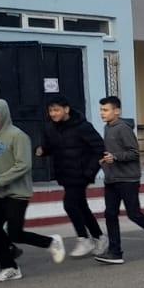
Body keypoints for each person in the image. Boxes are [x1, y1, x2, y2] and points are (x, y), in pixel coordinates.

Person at [0, 98, 64, 282]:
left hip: (17, 193)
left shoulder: (18, 136)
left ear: (3, 115)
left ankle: (51, 242)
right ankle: (10, 268)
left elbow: (23, 165)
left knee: (15, 234)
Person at [96, 95, 144, 263]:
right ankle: (115, 252)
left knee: (134, 214)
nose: (102, 113)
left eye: (105, 110)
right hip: (112, 178)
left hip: (128, 179)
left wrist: (115, 157)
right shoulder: (107, 128)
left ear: (117, 111)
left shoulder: (123, 128)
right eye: (101, 110)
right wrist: (105, 160)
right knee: (110, 214)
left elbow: (134, 153)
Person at [36, 94, 105, 256]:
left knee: (70, 204)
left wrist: (89, 172)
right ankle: (99, 237)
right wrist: (42, 150)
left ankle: (84, 239)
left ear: (66, 109)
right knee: (81, 206)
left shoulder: (82, 126)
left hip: (80, 173)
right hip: (65, 173)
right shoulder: (50, 127)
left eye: (56, 110)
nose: (53, 114)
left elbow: (99, 148)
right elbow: (50, 146)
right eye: (50, 111)